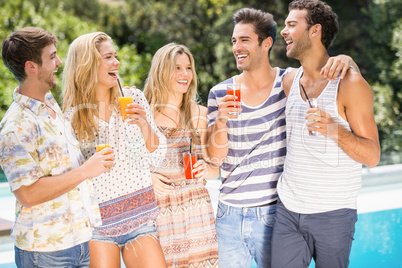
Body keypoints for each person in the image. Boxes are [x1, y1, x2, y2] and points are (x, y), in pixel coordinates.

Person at [207, 7, 358, 268]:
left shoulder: (289, 83)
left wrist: (346, 59)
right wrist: (220, 121)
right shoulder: (220, 92)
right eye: (234, 41)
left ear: (266, 43)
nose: (236, 47)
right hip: (228, 214)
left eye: (244, 40)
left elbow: (327, 74)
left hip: (274, 213)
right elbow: (214, 158)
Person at [271, 0, 381, 267]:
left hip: (333, 215)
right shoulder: (289, 81)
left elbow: (373, 156)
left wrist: (336, 131)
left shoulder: (349, 84)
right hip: (287, 210)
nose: (283, 31)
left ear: (315, 30)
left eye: (291, 25)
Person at [0, 27, 113, 268]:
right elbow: (28, 194)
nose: (59, 62)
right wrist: (86, 170)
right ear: (32, 66)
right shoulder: (16, 125)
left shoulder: (52, 106)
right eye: (52, 57)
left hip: (80, 242)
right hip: (46, 252)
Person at [62, 32, 167, 268]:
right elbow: (71, 178)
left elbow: (157, 156)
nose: (116, 63)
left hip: (140, 218)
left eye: (115, 56)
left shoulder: (133, 98)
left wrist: (144, 125)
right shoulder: (71, 118)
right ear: (88, 66)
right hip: (98, 226)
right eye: (108, 57)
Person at [143, 43, 219, 267]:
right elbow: (126, 167)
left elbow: (214, 169)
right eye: (177, 68)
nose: (185, 74)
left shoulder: (201, 115)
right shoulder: (144, 114)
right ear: (161, 71)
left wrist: (207, 169)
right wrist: (148, 178)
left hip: (198, 216)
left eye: (188, 68)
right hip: (159, 215)